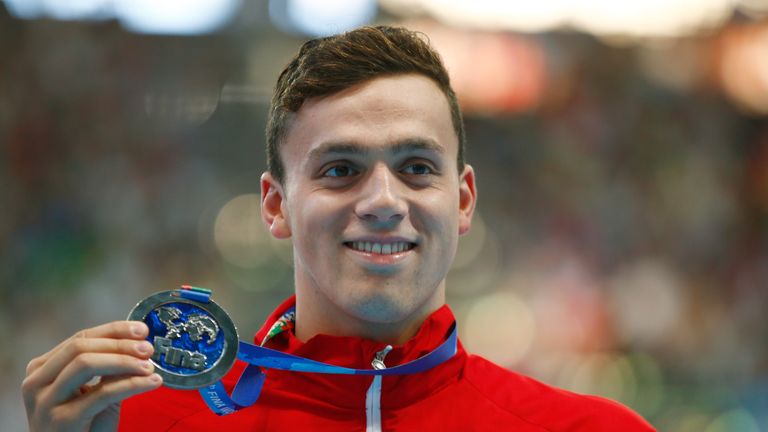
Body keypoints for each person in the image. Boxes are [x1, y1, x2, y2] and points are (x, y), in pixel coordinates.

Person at [22, 25, 655, 431]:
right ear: (275, 206)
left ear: (462, 201)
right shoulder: (138, 423)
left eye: (416, 167)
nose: (383, 200)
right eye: (341, 169)